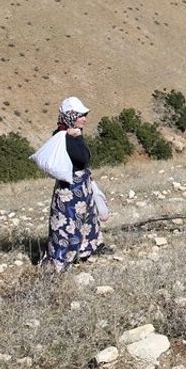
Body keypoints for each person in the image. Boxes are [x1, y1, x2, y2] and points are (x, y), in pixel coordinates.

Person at [47, 96, 106, 271]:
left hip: (79, 186)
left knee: (85, 218)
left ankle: (84, 249)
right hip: (71, 189)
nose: (85, 119)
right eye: (81, 115)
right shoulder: (66, 137)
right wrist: (77, 139)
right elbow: (82, 159)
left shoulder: (65, 133)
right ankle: (63, 257)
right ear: (71, 116)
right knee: (69, 221)